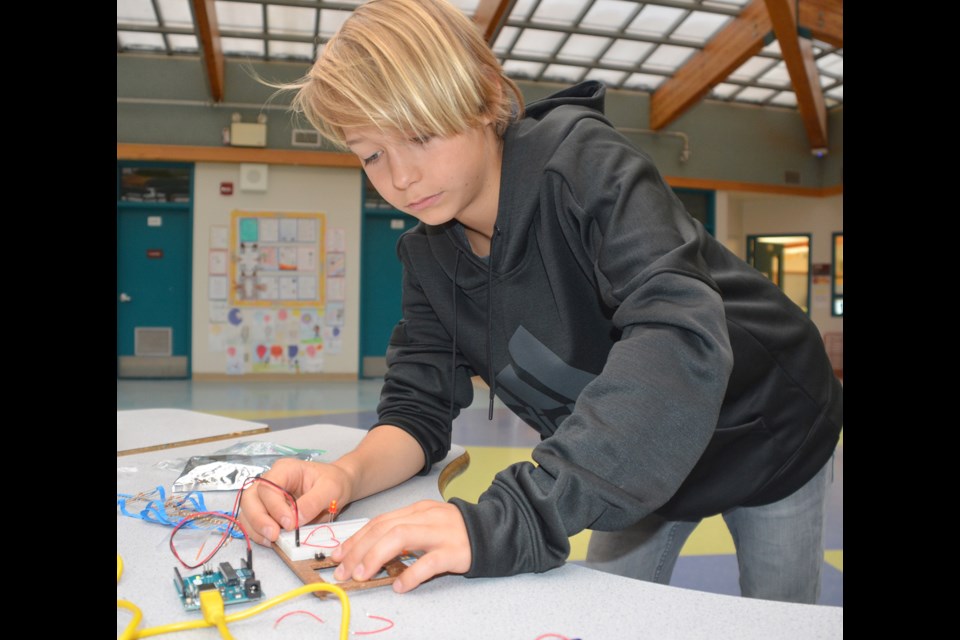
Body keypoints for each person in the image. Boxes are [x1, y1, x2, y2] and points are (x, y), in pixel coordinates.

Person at [239, 0, 843, 604]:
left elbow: (676, 337)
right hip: (626, 459)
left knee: (780, 610)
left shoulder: (584, 166)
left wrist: (512, 519)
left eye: (419, 136)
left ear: (483, 98)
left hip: (770, 432)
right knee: (603, 609)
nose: (399, 178)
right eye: (371, 154)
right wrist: (343, 474)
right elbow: (416, 411)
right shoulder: (426, 260)